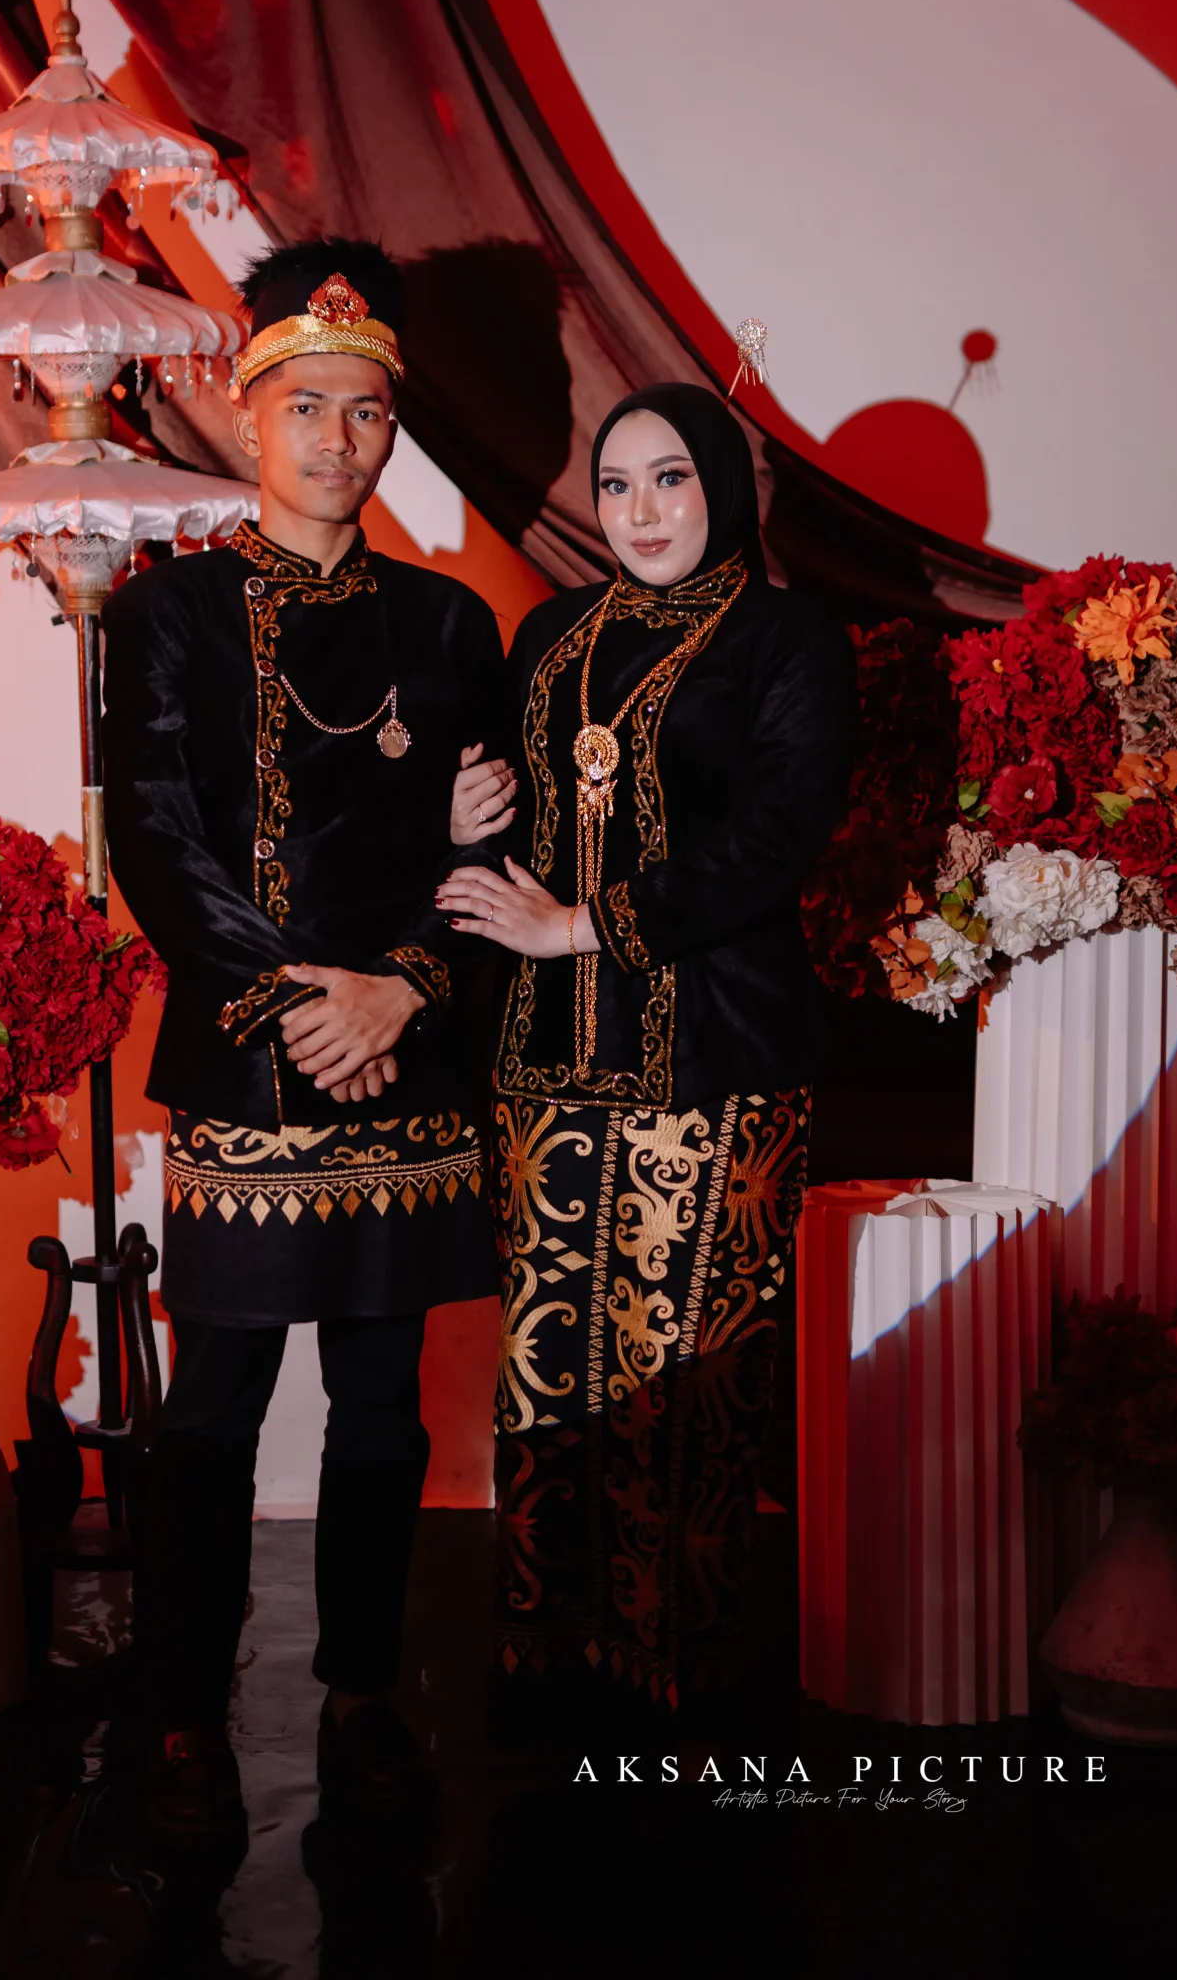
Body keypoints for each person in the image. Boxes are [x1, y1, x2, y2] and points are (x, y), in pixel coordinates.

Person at [101, 238, 502, 1837]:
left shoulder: (447, 625)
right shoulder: (166, 613)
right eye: (309, 408)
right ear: (251, 411)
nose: (341, 441)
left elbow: (493, 848)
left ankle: (359, 1693)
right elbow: (155, 837)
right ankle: (180, 1701)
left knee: (385, 1408)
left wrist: (400, 987)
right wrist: (299, 1003)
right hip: (252, 1064)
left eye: (368, 412)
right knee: (213, 1406)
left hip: (406, 1058)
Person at [436, 382, 856, 1709]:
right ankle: (545, 1640)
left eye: (670, 479)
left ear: (723, 486)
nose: (641, 512)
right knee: (548, 1365)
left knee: (684, 1378)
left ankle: (672, 1660)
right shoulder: (551, 632)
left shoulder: (787, 642)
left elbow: (774, 841)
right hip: (547, 1063)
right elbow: (518, 827)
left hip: (716, 1055)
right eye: (616, 486)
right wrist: (468, 813)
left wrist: (582, 928)